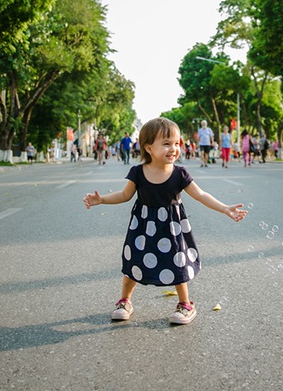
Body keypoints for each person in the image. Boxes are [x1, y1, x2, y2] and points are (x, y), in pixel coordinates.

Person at [83, 117, 247, 324]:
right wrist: (101, 200)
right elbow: (125, 195)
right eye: (167, 143)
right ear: (149, 148)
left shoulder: (180, 174)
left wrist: (224, 208)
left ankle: (185, 304)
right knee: (134, 260)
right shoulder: (138, 172)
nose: (174, 148)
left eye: (177, 143)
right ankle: (125, 301)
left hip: (172, 227)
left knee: (177, 261)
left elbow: (201, 195)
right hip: (143, 226)